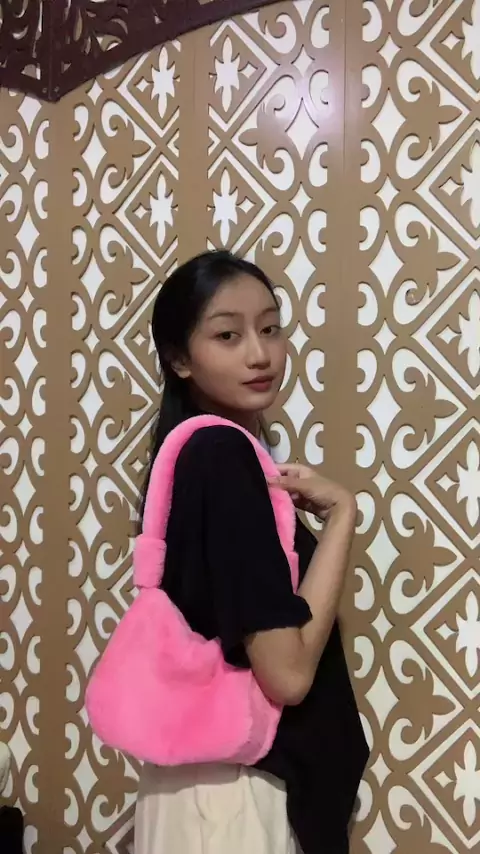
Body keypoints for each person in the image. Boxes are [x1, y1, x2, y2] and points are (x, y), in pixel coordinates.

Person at [134, 250, 369, 854]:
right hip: (234, 800)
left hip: (194, 788)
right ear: (179, 358)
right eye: (228, 335)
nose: (260, 354)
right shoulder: (223, 458)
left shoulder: (190, 456)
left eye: (270, 328)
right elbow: (287, 674)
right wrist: (342, 517)